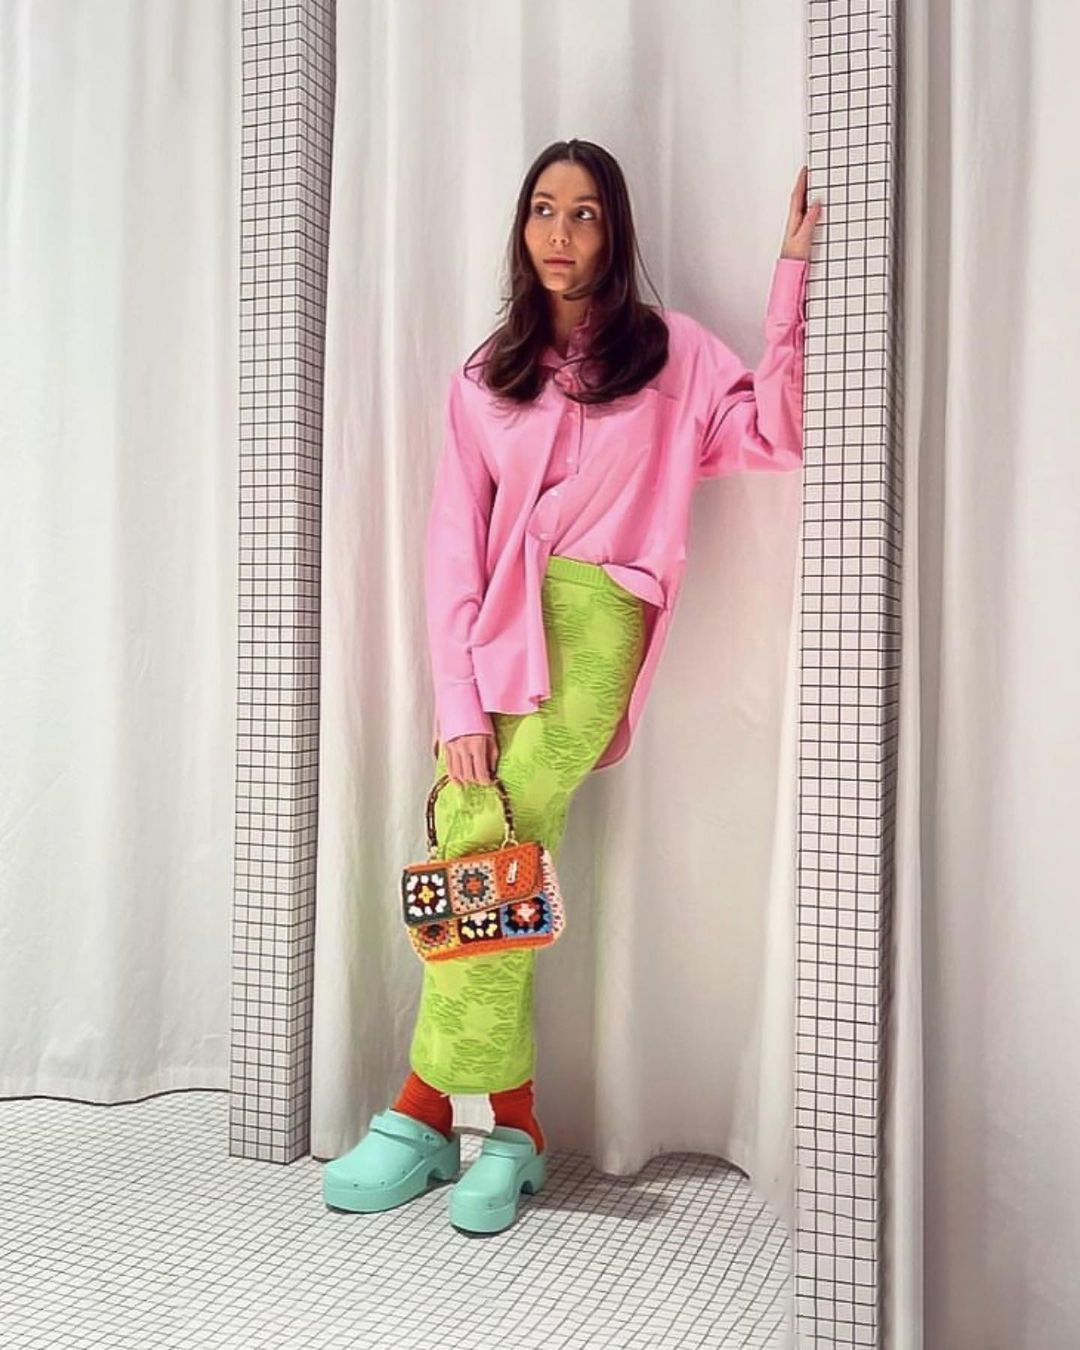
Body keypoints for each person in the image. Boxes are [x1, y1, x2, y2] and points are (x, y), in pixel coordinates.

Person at [323, 138, 822, 1234]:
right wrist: (456, 703)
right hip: (496, 632)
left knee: (492, 828)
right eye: (544, 210)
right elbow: (452, 549)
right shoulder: (484, 378)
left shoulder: (671, 356)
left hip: (598, 627)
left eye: (585, 212)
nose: (561, 233)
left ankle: (421, 1106)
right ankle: (510, 1127)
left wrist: (790, 274)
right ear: (521, 228)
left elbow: (778, 431)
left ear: (614, 229)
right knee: (477, 829)